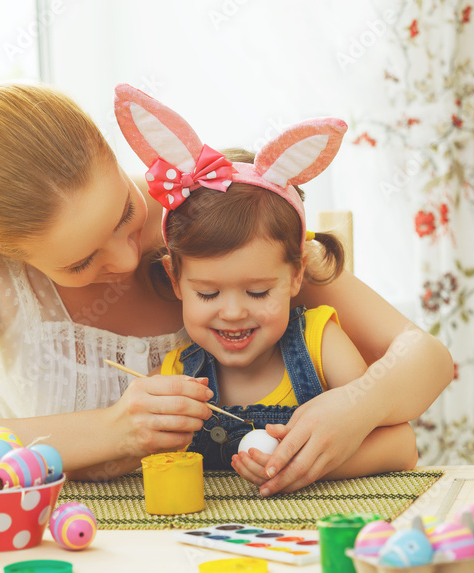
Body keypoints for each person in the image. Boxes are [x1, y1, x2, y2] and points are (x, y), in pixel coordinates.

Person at [0, 81, 453, 497]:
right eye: (79, 262)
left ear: (110, 148)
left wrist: (353, 407)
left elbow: (425, 358)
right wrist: (108, 430)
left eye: (125, 211)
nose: (128, 257)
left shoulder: (214, 215)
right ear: (7, 253)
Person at [115, 84, 418, 485]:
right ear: (175, 280)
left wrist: (308, 466)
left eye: (258, 292)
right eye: (208, 293)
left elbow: (402, 446)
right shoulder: (176, 376)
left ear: (296, 276)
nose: (234, 311)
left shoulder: (319, 344)